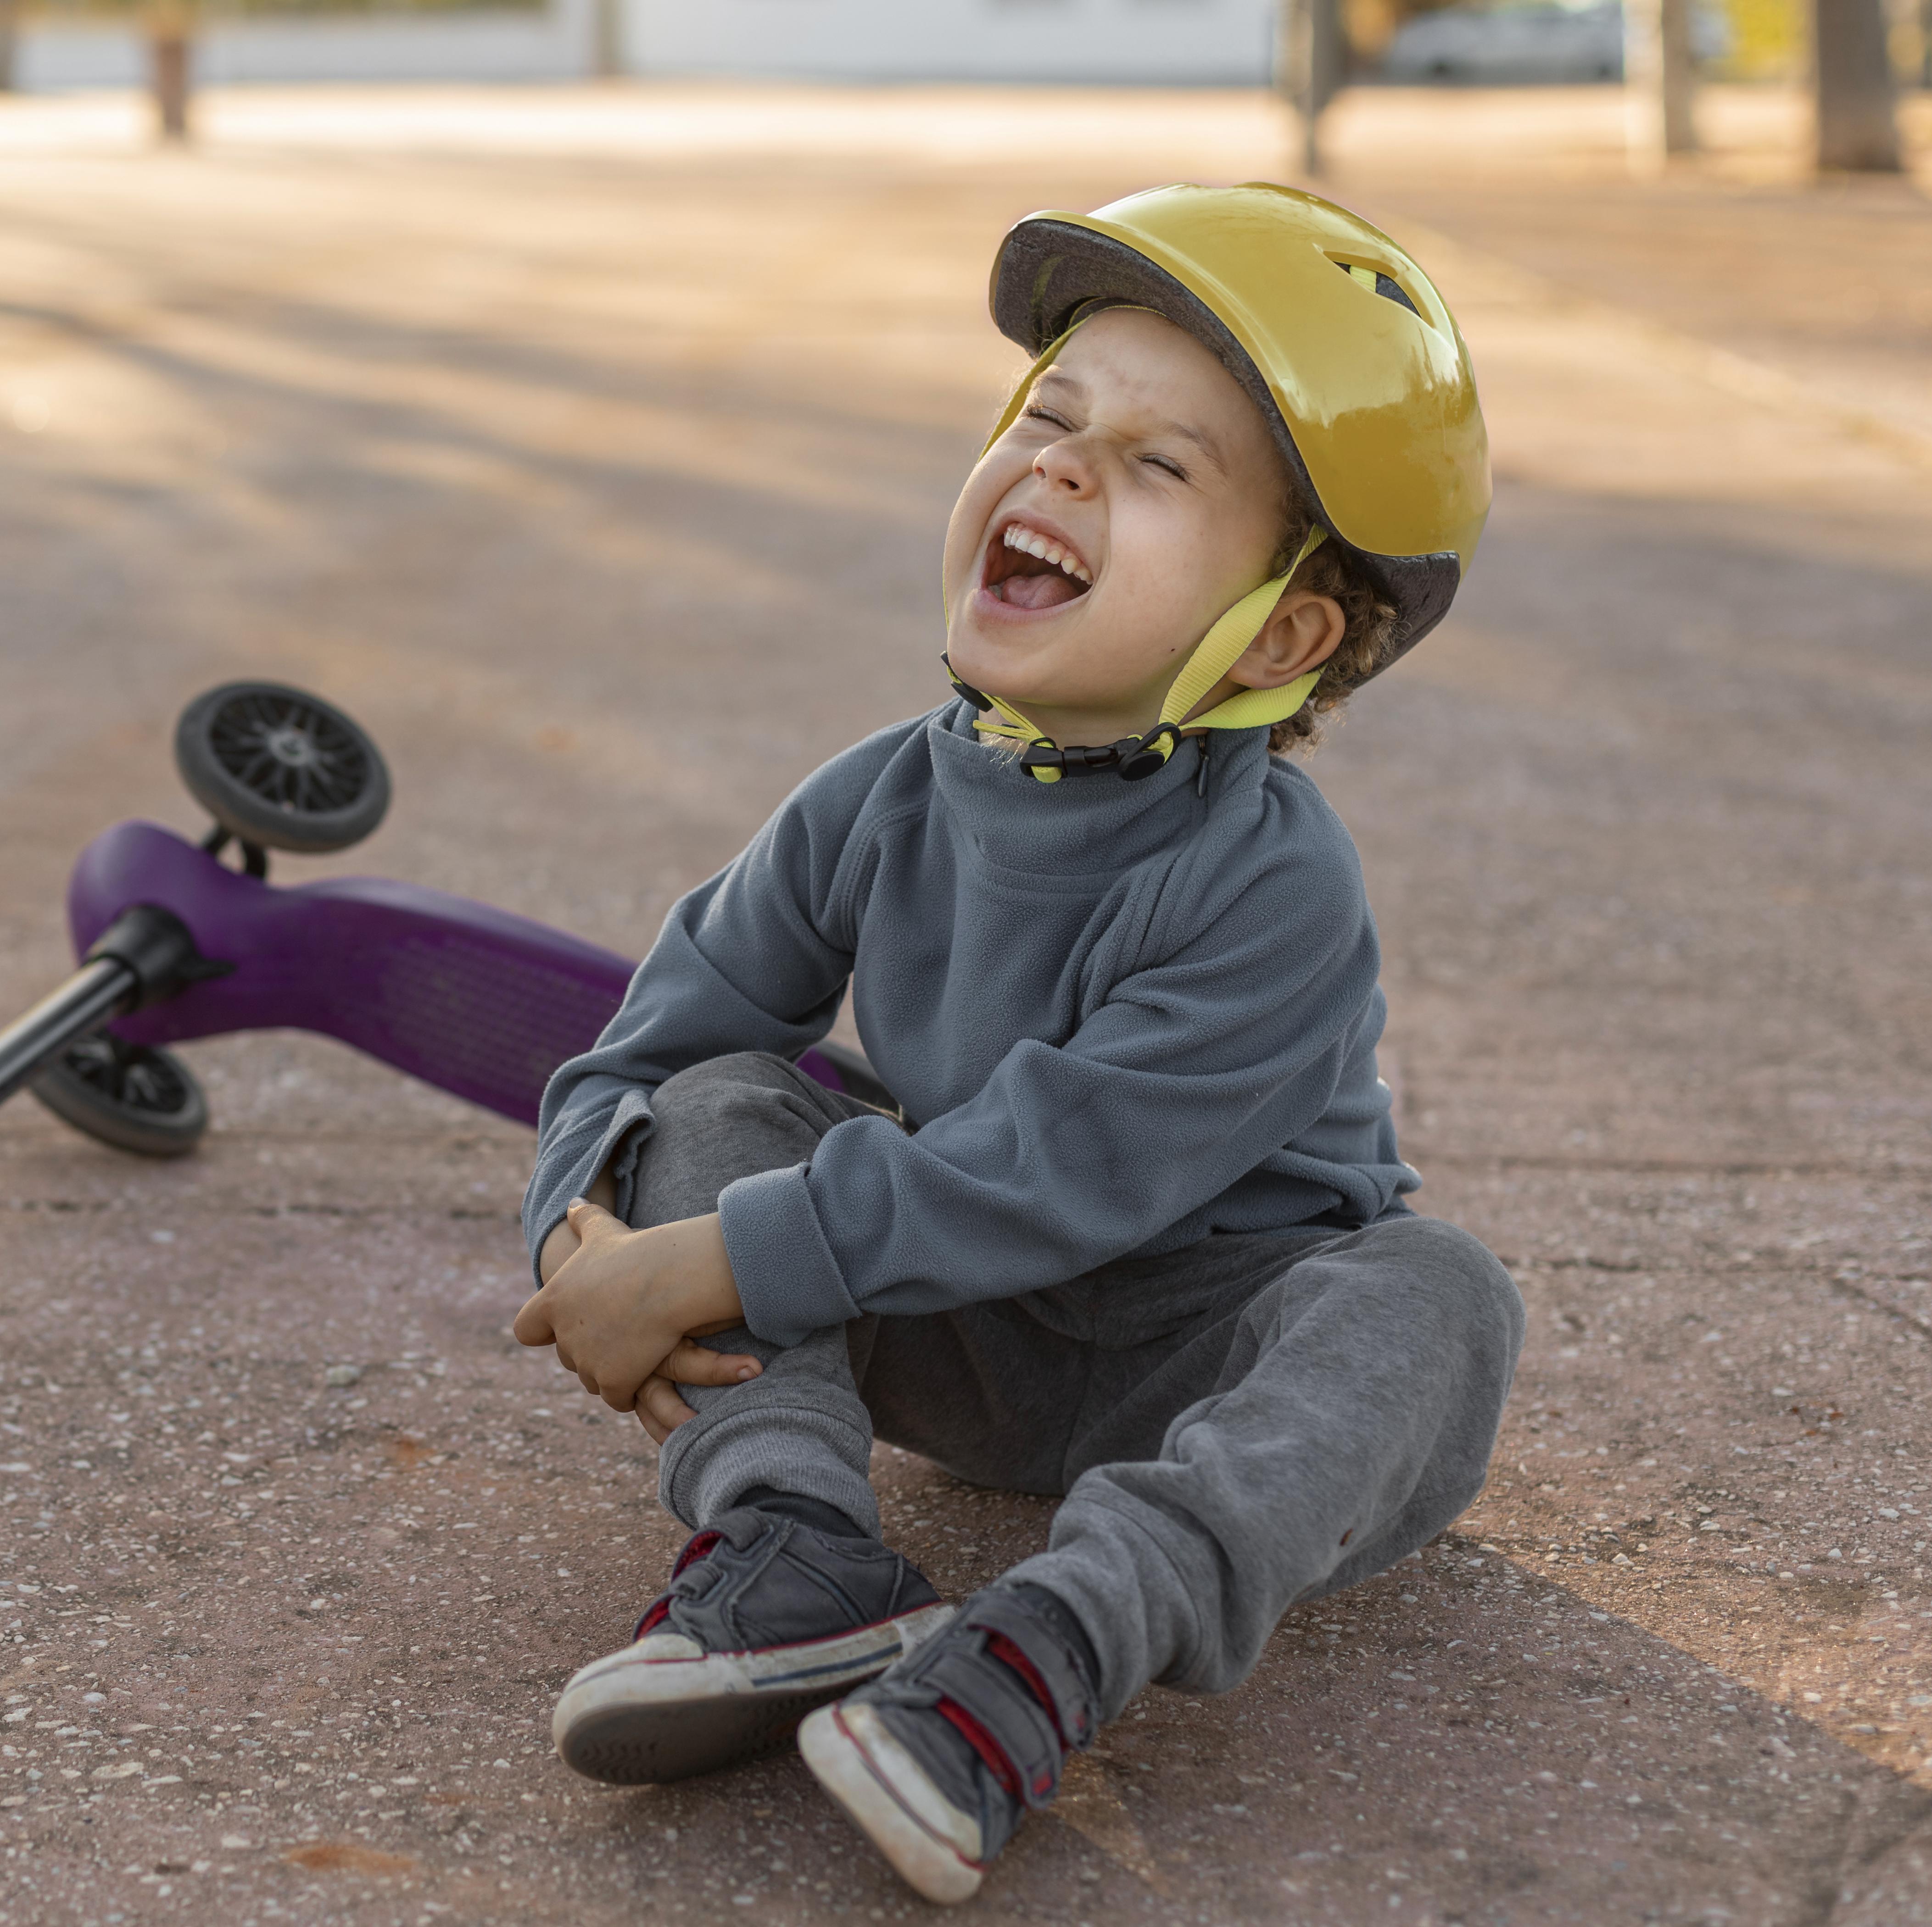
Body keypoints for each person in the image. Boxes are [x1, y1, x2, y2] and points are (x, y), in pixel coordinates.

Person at [510, 184, 1523, 1905]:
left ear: (1277, 637)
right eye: (1049, 421)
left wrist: (708, 1259)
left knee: (1434, 1297)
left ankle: (1044, 1654)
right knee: (719, 1097)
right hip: (951, 1336)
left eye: (1156, 467)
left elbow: (1051, 1167)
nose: (1060, 468)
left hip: (1206, 1348)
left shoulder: (1276, 882)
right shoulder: (875, 796)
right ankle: (793, 1551)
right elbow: (651, 1038)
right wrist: (581, 1226)